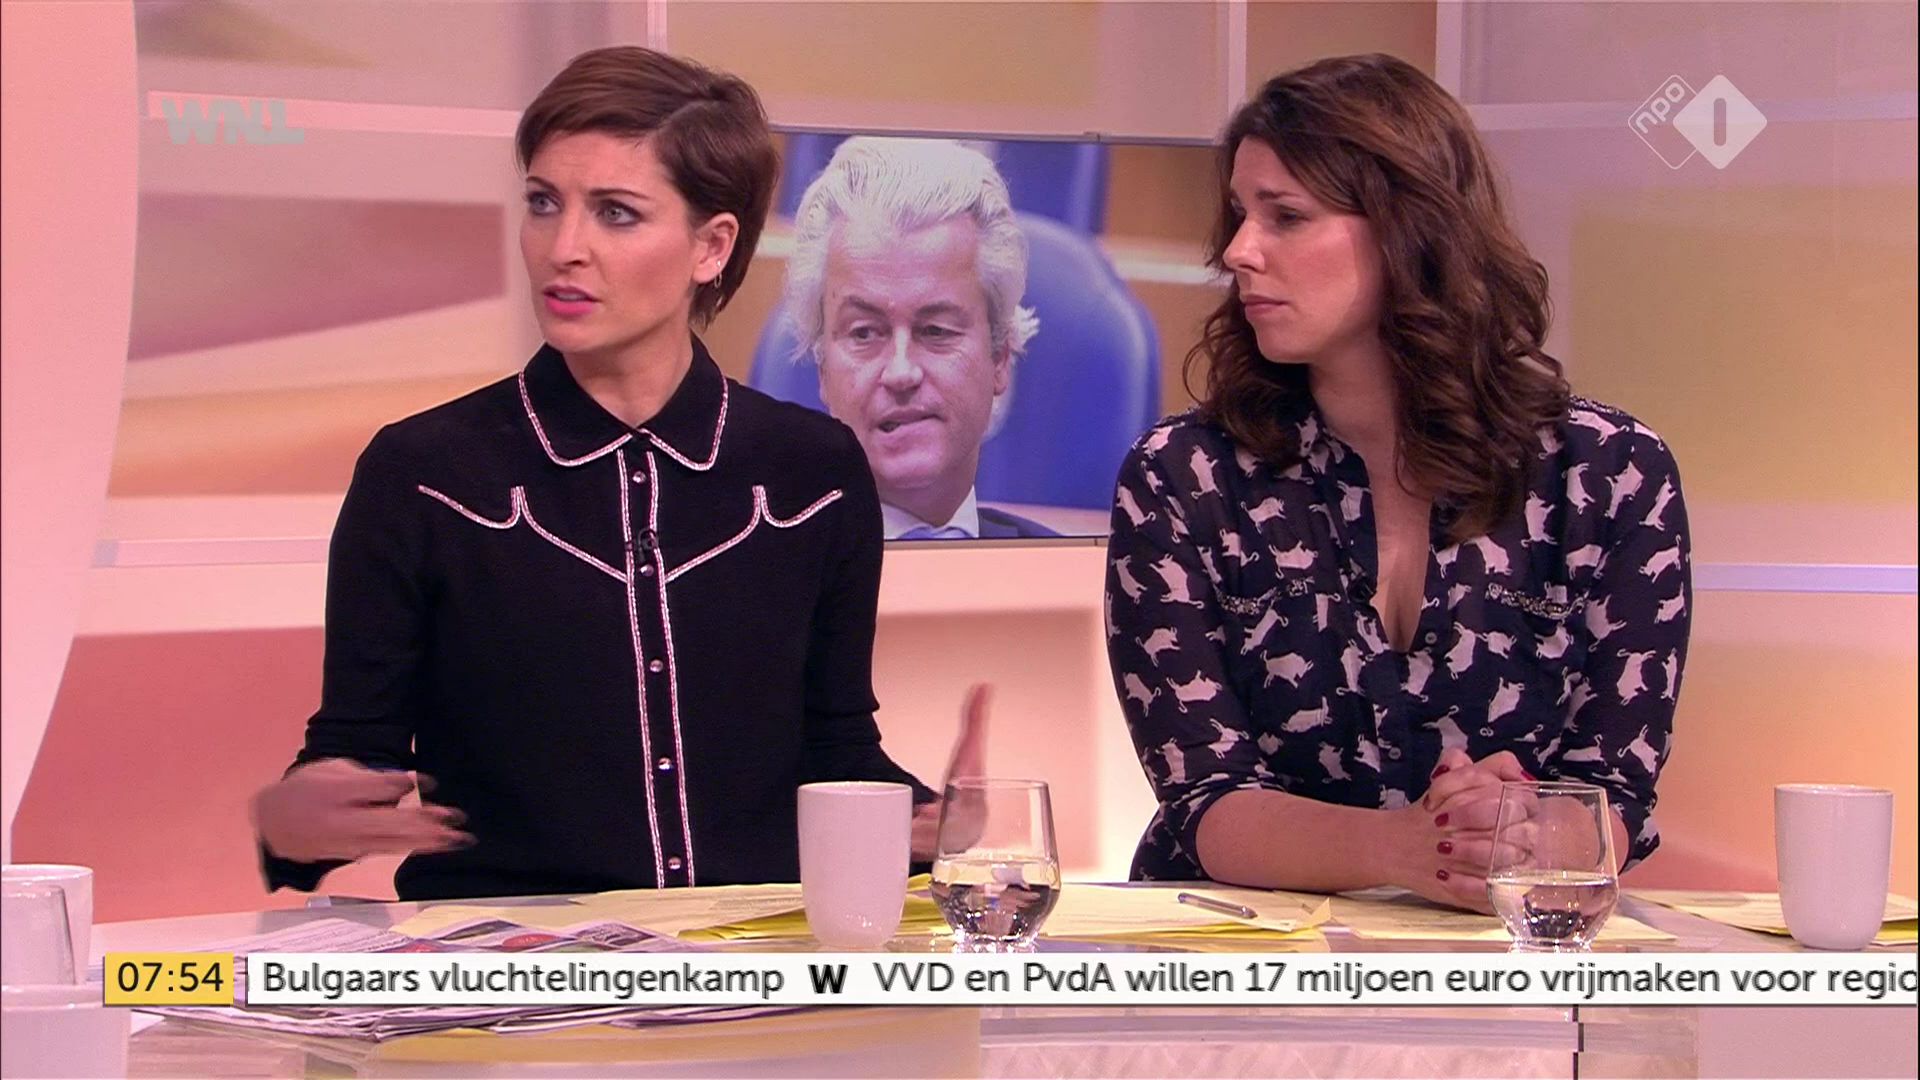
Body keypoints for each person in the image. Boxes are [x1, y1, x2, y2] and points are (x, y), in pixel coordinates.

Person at [250, 47, 984, 901]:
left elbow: (834, 748)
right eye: (543, 203)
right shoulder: (424, 474)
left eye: (616, 214)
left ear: (712, 246)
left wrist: (926, 823)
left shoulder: (812, 474)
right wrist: (292, 821)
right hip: (510, 959)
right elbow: (350, 762)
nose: (564, 248)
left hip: (747, 945)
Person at [1105, 54, 1690, 913]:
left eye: (1286, 216)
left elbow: (1614, 797)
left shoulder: (1610, 474)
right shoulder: (1181, 476)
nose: (1237, 251)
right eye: (1239, 214)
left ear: (1408, 229)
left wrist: (1518, 838)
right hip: (1241, 954)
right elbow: (1205, 799)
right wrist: (1407, 848)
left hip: (1509, 952)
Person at [783, 137, 1057, 540]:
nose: (901, 373)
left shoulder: (1066, 570)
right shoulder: (758, 573)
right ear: (822, 366)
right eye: (864, 333)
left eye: (936, 331)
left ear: (1000, 355)